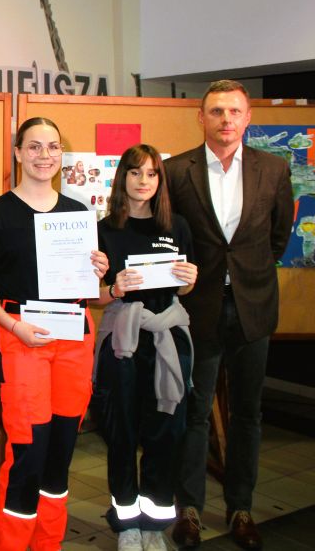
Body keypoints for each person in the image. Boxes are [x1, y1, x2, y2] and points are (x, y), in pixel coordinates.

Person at [165, 80, 293, 550]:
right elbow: (169, 236)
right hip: (197, 309)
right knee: (194, 411)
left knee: (247, 414)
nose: (225, 119)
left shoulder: (273, 169)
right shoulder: (175, 171)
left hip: (253, 308)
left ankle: (241, 507)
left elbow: (278, 236)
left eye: (234, 111)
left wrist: (246, 276)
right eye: (217, 111)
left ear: (247, 118)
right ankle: (190, 510)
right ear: (201, 117)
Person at [0, 117, 109, 551]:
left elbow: (94, 292)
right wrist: (13, 326)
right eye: (33, 146)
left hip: (74, 339)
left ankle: (48, 543)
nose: (43, 155)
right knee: (28, 451)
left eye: (52, 146)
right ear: (17, 153)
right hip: (24, 339)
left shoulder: (78, 214)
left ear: (61, 154)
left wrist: (100, 273)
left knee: (62, 449)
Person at [93, 145, 198, 551]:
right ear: (122, 177)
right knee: (121, 432)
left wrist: (189, 280)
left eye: (152, 174)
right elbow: (92, 295)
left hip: (167, 339)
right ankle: (126, 525)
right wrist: (115, 288)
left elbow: (183, 288)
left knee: (165, 433)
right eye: (135, 172)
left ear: (160, 180)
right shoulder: (104, 229)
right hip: (123, 340)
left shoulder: (177, 227)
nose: (143, 181)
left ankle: (154, 524)